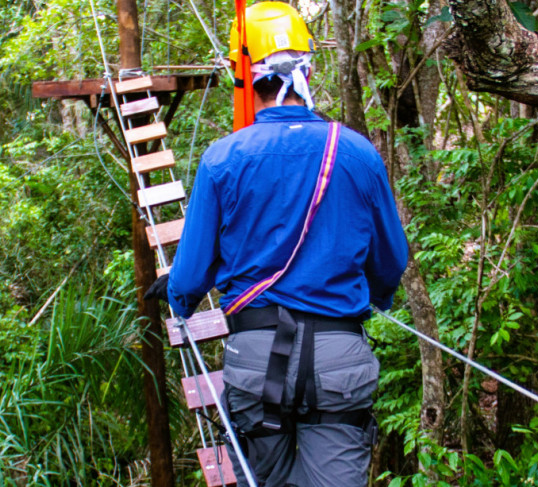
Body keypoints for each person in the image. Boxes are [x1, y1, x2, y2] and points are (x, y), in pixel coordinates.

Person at [144, 2, 409, 486]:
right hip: (339, 355)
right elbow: (391, 263)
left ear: (243, 75)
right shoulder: (355, 152)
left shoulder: (223, 158)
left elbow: (192, 271)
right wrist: (374, 300)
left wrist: (179, 298)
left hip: (256, 356)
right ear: (307, 67)